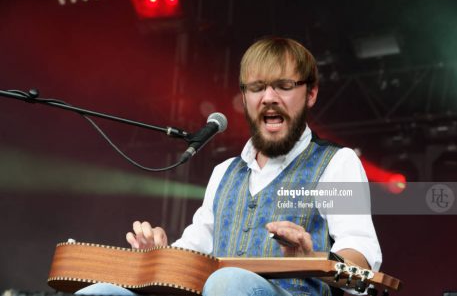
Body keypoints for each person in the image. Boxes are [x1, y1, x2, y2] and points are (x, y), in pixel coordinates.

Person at [77, 37, 381, 296]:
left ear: (310, 94)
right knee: (96, 292)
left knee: (227, 280)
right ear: (245, 96)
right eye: (257, 87)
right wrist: (157, 256)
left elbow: (363, 259)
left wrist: (314, 258)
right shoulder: (224, 172)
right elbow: (194, 252)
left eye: (284, 86)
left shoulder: (336, 163)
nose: (269, 98)